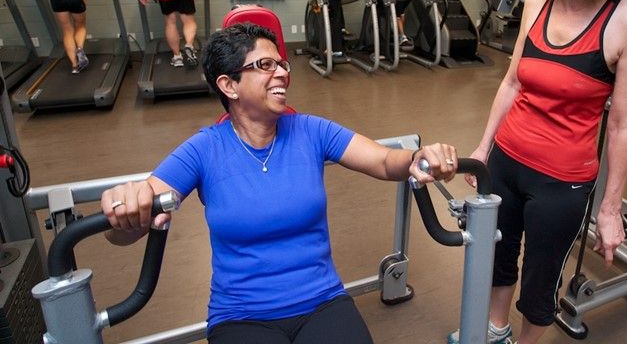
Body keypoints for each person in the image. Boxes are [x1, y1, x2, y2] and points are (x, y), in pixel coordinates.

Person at [101, 22, 459, 344]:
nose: (282, 74)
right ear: (229, 85)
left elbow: (383, 160)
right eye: (264, 65)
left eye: (282, 64)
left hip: (322, 300)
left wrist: (417, 159)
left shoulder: (310, 130)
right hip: (241, 314)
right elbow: (130, 223)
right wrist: (127, 207)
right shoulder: (204, 149)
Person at [449, 0, 627, 344]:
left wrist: (611, 208)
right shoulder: (537, 1)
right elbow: (512, 82)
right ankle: (495, 331)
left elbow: (622, 123)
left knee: (540, 280)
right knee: (498, 256)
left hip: (563, 181)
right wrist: (483, 148)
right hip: (508, 162)